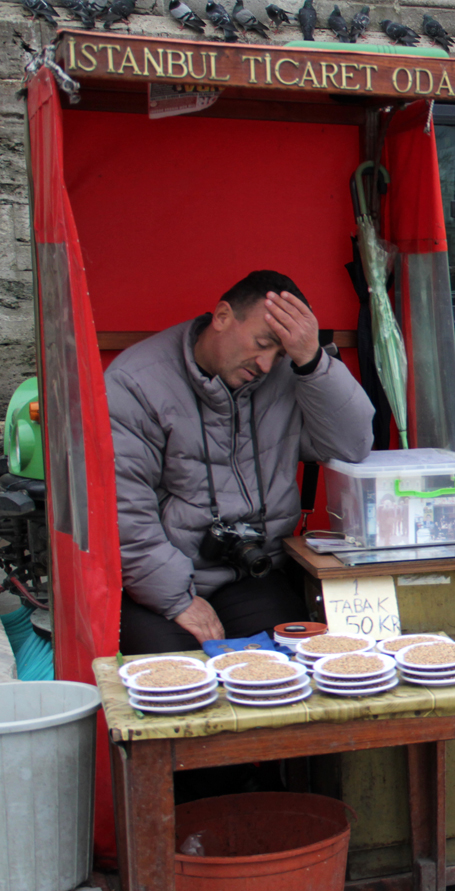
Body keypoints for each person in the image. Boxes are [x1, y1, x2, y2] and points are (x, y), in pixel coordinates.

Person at [105, 270, 375, 655]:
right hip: (160, 579)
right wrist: (175, 600)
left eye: (279, 353)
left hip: (256, 570)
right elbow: (124, 509)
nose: (266, 364)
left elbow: (353, 444)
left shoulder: (287, 374)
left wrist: (312, 362)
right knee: (175, 679)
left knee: (290, 663)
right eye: (263, 343)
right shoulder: (135, 382)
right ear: (222, 316)